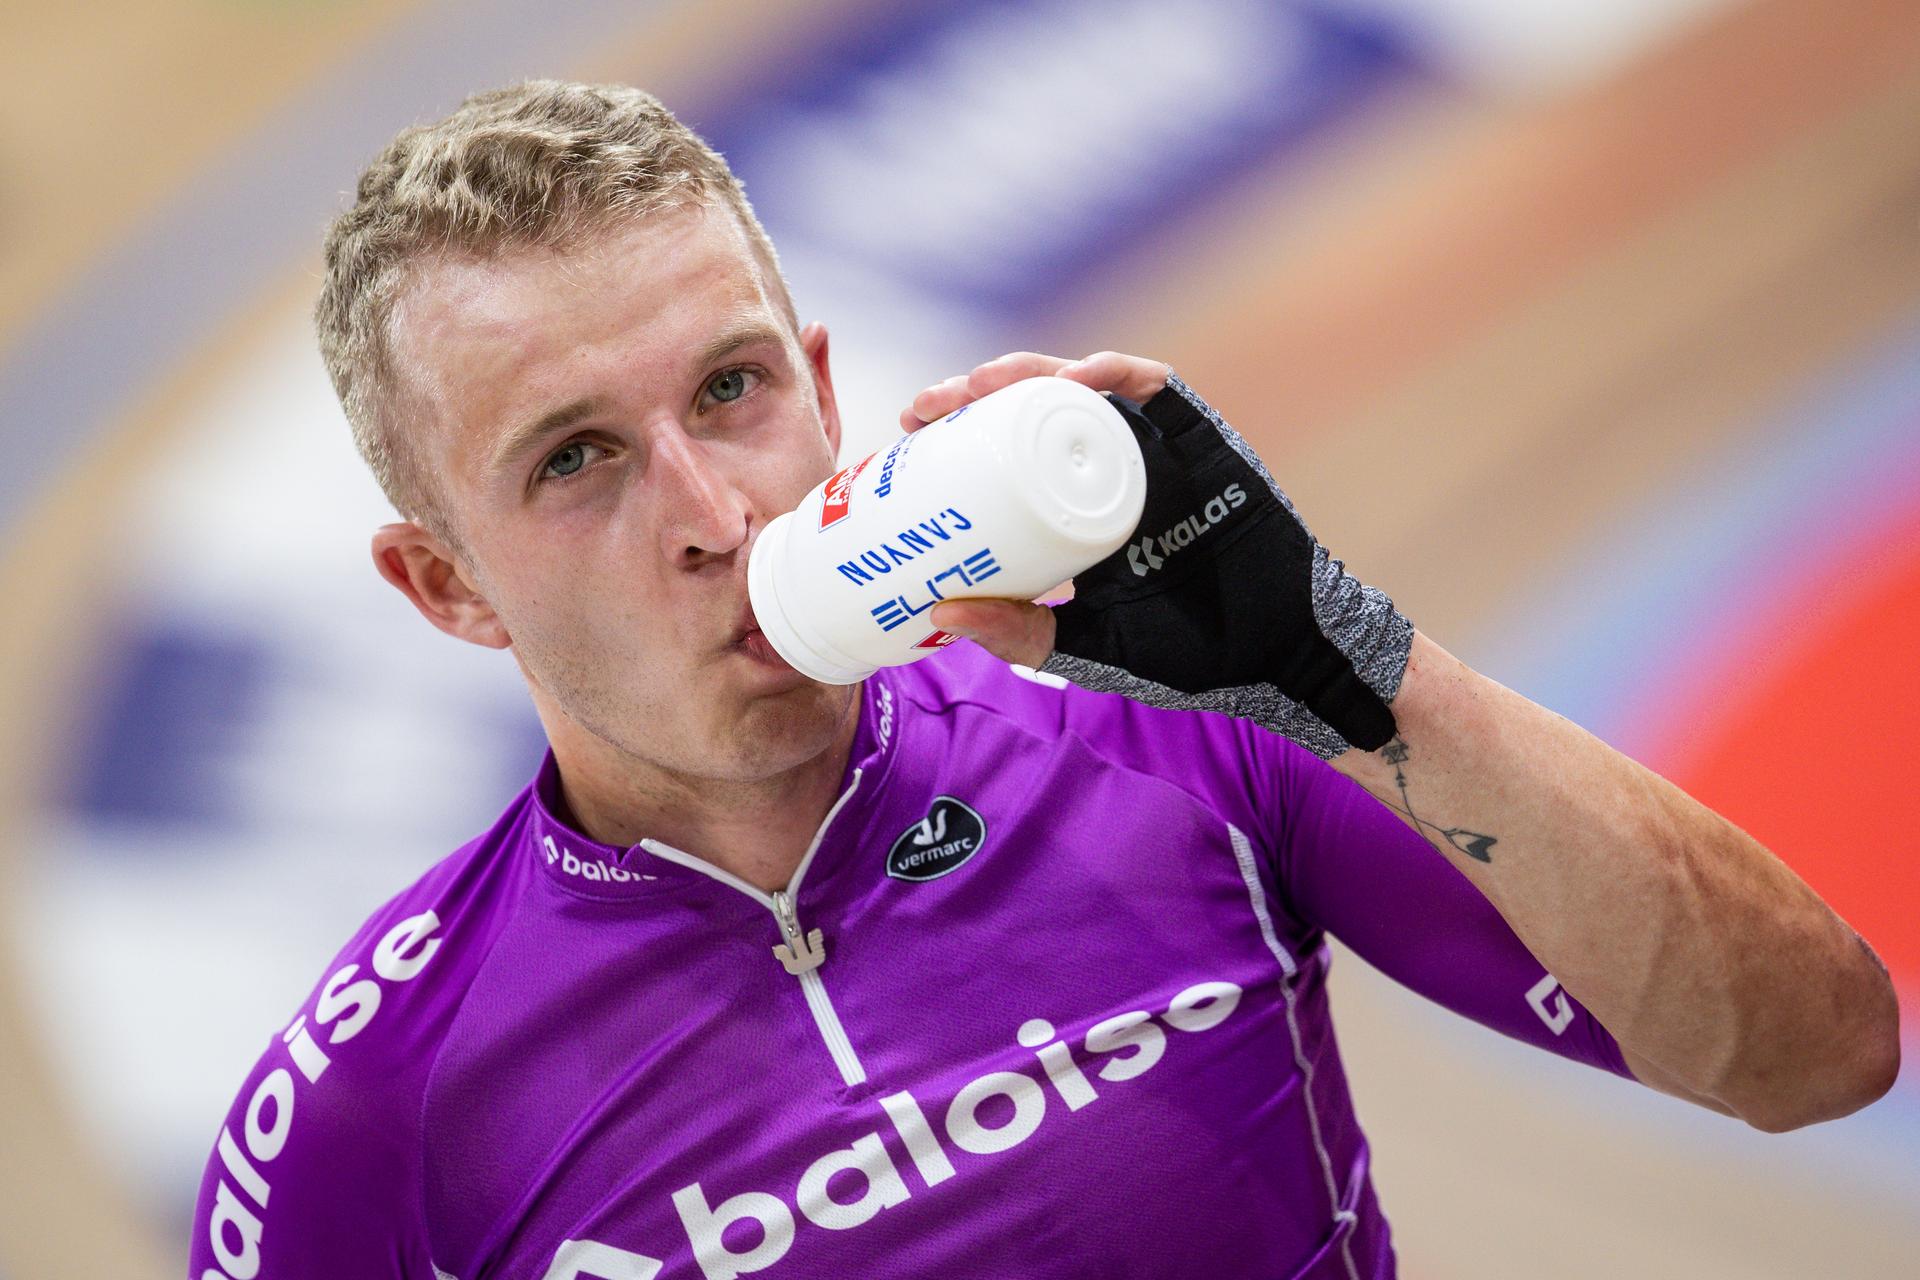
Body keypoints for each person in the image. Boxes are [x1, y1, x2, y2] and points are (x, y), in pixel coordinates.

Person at [187, 80, 1898, 1280]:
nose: (714, 513)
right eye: (574, 460)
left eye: (730, 389)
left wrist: (1349, 663)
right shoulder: (367, 1112)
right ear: (444, 586)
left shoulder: (1186, 740)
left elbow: (1815, 1054)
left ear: (822, 384)